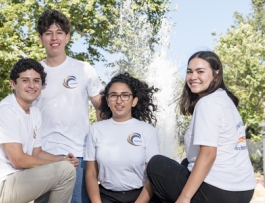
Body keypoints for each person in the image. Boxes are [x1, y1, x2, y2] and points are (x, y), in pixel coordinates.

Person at [136, 51, 256, 203]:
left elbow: (208, 154)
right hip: (243, 190)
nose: (193, 77)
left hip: (219, 191)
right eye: (189, 72)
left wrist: (184, 198)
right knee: (185, 164)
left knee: (156, 164)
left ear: (216, 74)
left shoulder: (207, 103)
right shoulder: (224, 99)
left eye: (200, 72)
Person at [0, 58, 79, 203]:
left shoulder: (34, 113)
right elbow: (18, 160)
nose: (32, 85)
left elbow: (37, 153)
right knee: (66, 172)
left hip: (13, 181)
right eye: (25, 80)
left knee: (64, 169)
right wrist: (62, 165)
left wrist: (63, 159)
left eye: (36, 80)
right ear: (13, 84)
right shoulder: (6, 111)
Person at [34, 9, 103, 203]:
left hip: (78, 155)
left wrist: (105, 146)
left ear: (67, 36)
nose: (54, 38)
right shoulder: (33, 73)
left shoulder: (84, 69)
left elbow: (100, 107)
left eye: (59, 32)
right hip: (43, 157)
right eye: (48, 33)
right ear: (40, 38)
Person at [84, 72, 161, 203]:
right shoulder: (95, 130)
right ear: (107, 100)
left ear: (134, 101)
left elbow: (152, 176)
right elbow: (91, 173)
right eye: (113, 95)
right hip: (106, 197)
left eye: (125, 95)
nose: (119, 100)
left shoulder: (148, 131)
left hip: (140, 197)